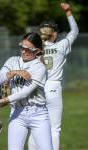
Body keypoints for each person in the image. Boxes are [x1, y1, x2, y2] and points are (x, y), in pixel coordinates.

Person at [0, 32, 53, 150]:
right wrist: (14, 72)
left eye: (28, 49)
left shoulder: (40, 67)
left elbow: (25, 93)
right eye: (22, 47)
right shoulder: (12, 61)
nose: (23, 51)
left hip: (38, 114)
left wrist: (1, 101)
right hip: (17, 113)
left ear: (37, 51)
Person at [28, 3, 79, 150]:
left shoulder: (34, 49)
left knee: (35, 127)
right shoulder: (61, 46)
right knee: (54, 129)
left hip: (36, 87)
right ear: (54, 33)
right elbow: (75, 31)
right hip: (53, 87)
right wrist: (68, 12)